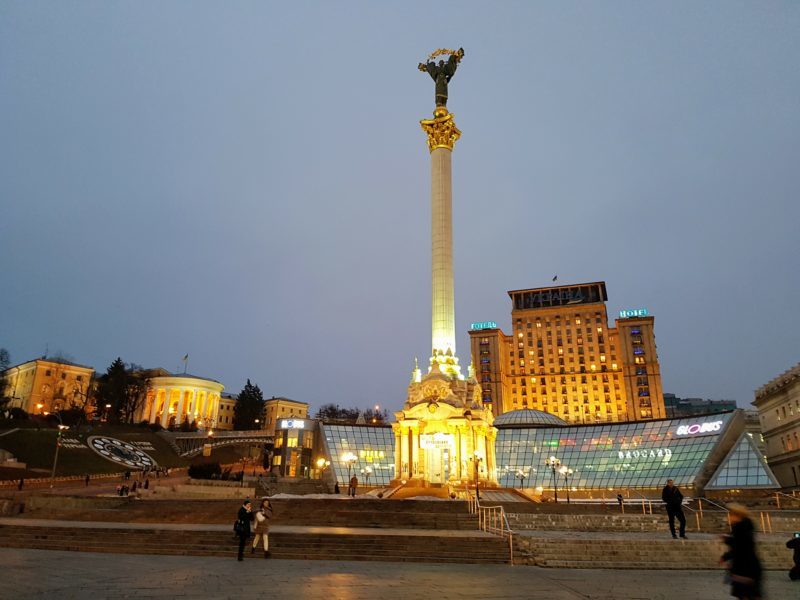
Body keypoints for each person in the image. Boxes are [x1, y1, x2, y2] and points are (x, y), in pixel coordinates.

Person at [721, 503, 762, 599]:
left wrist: (727, 541)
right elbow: (742, 545)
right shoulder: (746, 526)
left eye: (730, 515)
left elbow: (740, 546)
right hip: (750, 567)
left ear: (737, 515)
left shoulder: (740, 528)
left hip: (744, 568)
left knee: (745, 594)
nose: (729, 517)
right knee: (751, 594)